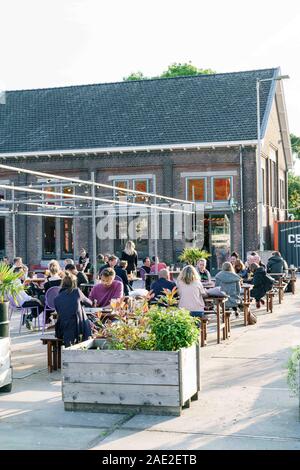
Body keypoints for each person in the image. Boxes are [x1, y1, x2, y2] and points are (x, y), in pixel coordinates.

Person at [54, 272, 92, 347]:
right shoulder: (76, 292)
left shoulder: (57, 298)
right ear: (74, 283)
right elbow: (89, 303)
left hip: (63, 330)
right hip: (78, 328)